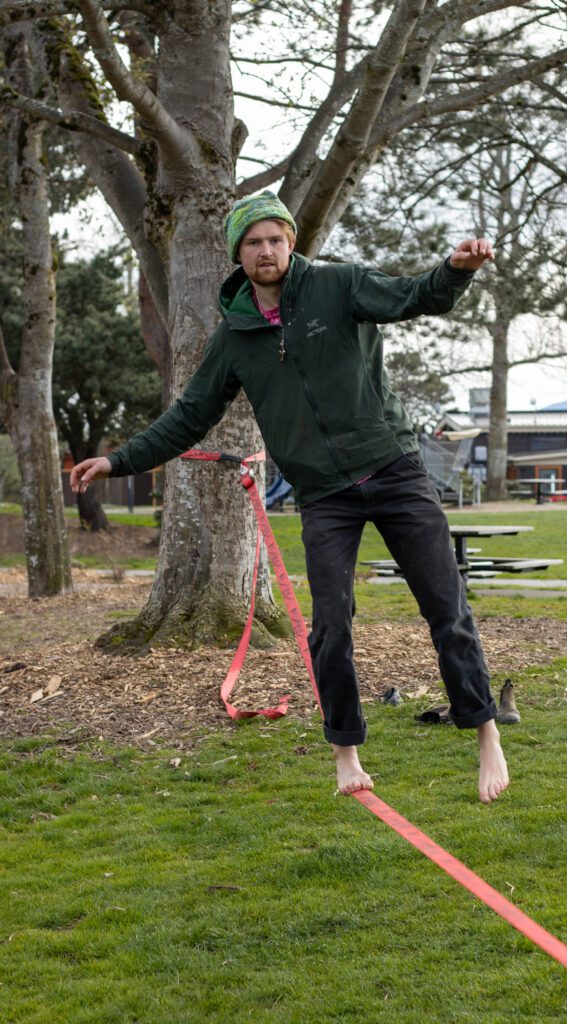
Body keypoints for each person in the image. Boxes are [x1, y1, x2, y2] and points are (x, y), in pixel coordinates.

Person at [71, 190, 509, 804]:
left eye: (276, 238)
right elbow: (189, 416)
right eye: (254, 242)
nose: (267, 250)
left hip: (393, 468)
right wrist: (118, 459)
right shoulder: (235, 338)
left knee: (446, 607)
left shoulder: (340, 286)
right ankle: (345, 753)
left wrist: (456, 270)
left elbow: (415, 296)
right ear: (238, 254)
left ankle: (486, 731)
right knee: (330, 626)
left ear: (291, 242)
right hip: (325, 494)